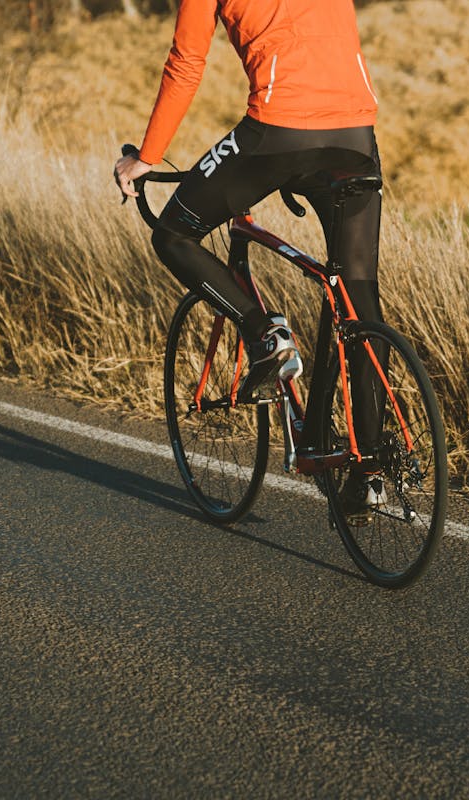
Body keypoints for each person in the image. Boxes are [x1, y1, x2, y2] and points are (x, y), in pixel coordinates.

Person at [113, 0, 387, 520]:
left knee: (173, 235)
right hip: (357, 131)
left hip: (277, 130)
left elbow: (187, 60)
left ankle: (265, 334)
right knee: (358, 291)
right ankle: (369, 469)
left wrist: (147, 156)